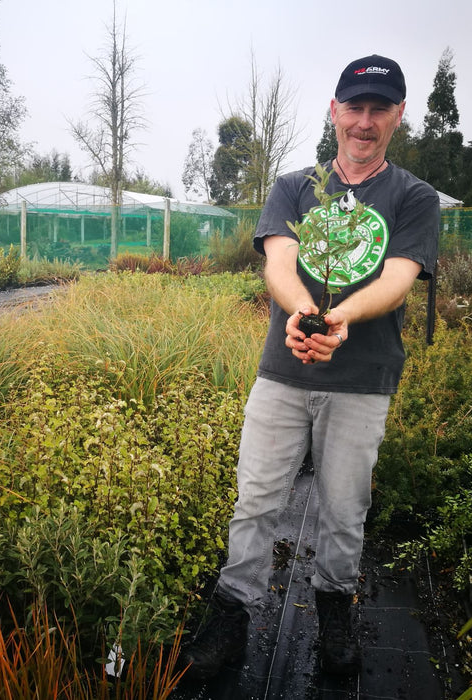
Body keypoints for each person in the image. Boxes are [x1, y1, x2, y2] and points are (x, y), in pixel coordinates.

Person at [180, 55, 440, 679]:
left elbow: (400, 278)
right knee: (256, 500)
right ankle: (231, 618)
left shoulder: (413, 197)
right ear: (334, 111)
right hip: (283, 373)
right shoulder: (296, 186)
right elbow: (279, 262)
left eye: (380, 108)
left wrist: (342, 318)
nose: (365, 121)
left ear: (399, 116)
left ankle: (334, 612)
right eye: (355, 106)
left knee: (344, 509)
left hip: (361, 381)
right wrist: (304, 313)